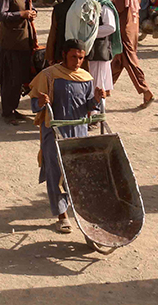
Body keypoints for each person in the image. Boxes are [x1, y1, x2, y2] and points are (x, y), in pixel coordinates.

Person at [29, 38, 105, 234]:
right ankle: (62, 215)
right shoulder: (49, 76)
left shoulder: (86, 78)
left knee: (76, 173)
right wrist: (40, 102)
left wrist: (96, 99)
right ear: (64, 55)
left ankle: (76, 209)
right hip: (54, 133)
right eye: (74, 57)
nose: (77, 61)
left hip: (78, 132)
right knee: (57, 174)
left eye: (81, 58)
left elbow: (88, 106)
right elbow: (33, 106)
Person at [0, 0, 38, 124]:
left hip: (24, 43)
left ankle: (13, 109)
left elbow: (29, 8)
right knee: (10, 81)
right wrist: (21, 14)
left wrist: (32, 13)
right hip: (11, 45)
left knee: (19, 79)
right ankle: (7, 112)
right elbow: (0, 15)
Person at [111, 0, 154, 107]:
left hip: (123, 27)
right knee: (118, 59)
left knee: (129, 59)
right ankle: (104, 88)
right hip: (134, 25)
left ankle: (145, 90)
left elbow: (119, 7)